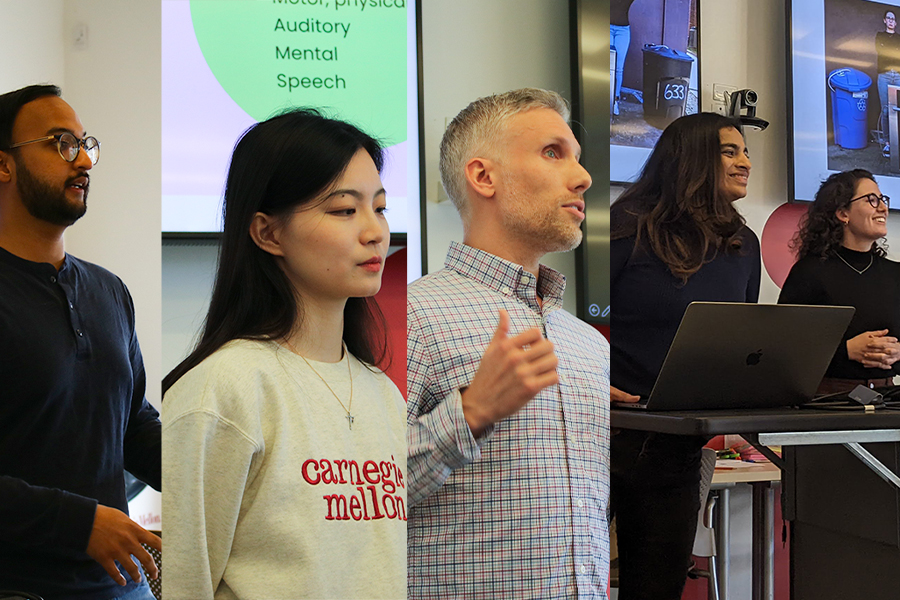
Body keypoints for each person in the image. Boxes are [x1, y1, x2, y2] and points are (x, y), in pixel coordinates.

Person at [161, 109, 406, 599]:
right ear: (268, 233)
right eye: (343, 210)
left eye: (378, 208)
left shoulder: (383, 393)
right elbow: (186, 585)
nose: (375, 231)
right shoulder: (224, 391)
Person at [407, 88, 610, 599]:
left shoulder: (586, 344)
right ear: (483, 177)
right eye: (552, 152)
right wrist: (471, 412)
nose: (583, 177)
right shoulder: (408, 318)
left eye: (577, 159)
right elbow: (358, 496)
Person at [0, 85, 161, 598]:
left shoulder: (109, 290)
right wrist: (79, 523)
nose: (84, 159)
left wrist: (211, 474)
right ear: (3, 166)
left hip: (121, 585)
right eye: (60, 142)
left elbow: (132, 426)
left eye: (85, 143)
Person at [609, 112, 760, 599]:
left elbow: (742, 336)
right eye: (730, 151)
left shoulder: (744, 244)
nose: (746, 162)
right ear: (691, 158)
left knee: (656, 585)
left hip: (678, 443)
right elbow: (565, 317)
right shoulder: (621, 228)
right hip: (598, 433)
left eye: (745, 151)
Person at [778, 169, 900, 393]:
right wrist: (846, 351)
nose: (883, 207)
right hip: (828, 404)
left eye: (882, 200)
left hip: (889, 402)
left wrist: (898, 353)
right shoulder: (809, 272)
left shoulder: (895, 273)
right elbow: (782, 349)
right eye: (871, 200)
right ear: (843, 213)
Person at [876, 9, 900, 157]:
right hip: (884, 76)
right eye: (888, 18)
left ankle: (897, 143)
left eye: (893, 19)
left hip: (897, 75)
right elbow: (882, 51)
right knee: (886, 110)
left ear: (895, 22)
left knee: (897, 110)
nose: (891, 21)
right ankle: (887, 144)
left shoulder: (898, 37)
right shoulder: (880, 36)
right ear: (885, 20)